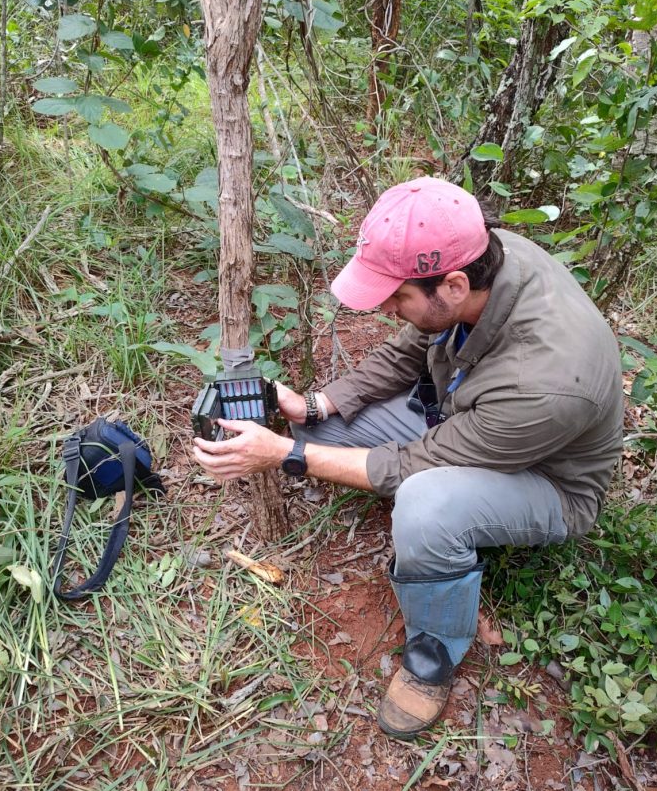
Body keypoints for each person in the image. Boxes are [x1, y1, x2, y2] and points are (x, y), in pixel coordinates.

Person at [192, 177, 624, 740]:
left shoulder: (546, 383)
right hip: (475, 416)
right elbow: (415, 345)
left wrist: (286, 455)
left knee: (425, 505)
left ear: (452, 284)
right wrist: (318, 405)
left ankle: (435, 649)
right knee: (335, 429)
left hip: (549, 480)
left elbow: (414, 467)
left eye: (399, 296)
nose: (393, 309)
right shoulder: (484, 256)